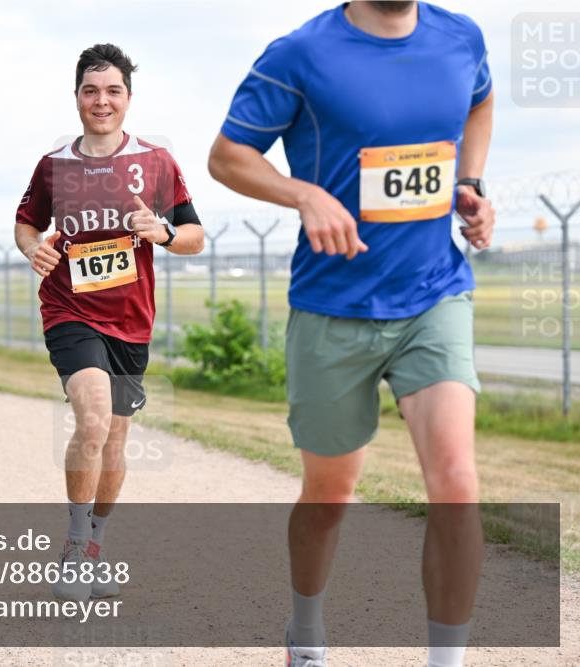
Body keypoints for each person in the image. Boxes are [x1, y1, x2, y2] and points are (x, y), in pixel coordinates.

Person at [208, 2, 495, 666]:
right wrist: (302, 195)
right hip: (333, 305)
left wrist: (470, 181)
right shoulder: (301, 54)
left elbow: (480, 101)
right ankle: (304, 631)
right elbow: (227, 156)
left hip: (434, 295)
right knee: (330, 495)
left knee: (456, 481)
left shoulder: (461, 37)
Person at [15, 43, 204, 602]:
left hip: (131, 322)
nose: (102, 101)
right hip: (69, 310)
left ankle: (94, 545)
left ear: (128, 98)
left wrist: (164, 233)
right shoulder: (54, 166)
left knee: (115, 441)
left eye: (113, 90)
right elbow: (26, 224)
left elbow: (194, 238)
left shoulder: (157, 162)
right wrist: (34, 251)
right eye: (91, 90)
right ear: (76, 97)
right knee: (93, 420)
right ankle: (73, 552)